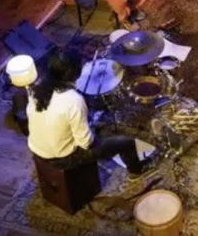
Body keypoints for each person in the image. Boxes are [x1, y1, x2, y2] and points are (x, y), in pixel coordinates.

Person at [24, 50, 154, 179]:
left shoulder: (37, 87)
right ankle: (136, 171)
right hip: (63, 158)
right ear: (72, 72)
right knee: (126, 142)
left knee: (94, 126)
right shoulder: (72, 100)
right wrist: (92, 131)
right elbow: (85, 143)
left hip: (37, 149)